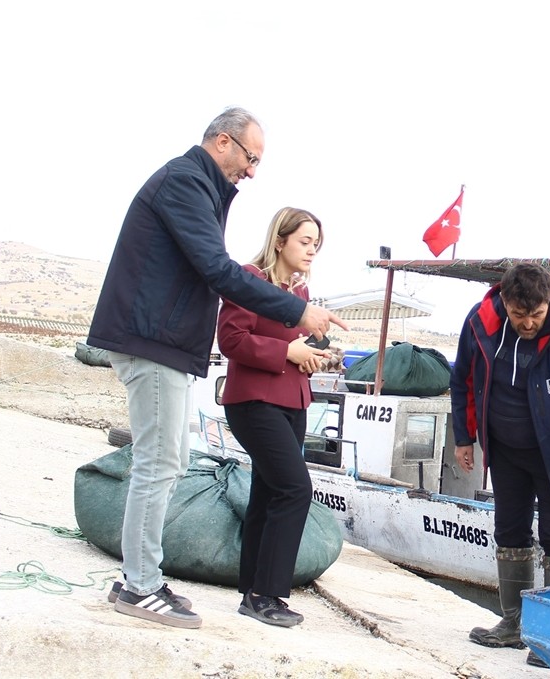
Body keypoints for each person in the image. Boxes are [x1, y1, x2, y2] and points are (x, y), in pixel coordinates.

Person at [87, 107, 348, 629]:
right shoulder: (186, 183)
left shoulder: (200, 188)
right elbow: (217, 270)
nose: (252, 172)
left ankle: (144, 577)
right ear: (223, 142)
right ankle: (139, 586)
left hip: (164, 342)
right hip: (152, 340)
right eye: (251, 158)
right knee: (160, 464)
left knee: (170, 460)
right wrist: (297, 314)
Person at [450, 261, 550, 666]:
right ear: (505, 301)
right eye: (520, 315)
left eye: (536, 315)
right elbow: (463, 378)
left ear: (547, 304)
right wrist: (464, 437)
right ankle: (513, 625)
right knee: (509, 531)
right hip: (505, 449)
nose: (529, 323)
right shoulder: (480, 322)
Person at [217, 207, 329, 628]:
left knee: (268, 491)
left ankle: (252, 593)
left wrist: (308, 358)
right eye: (305, 241)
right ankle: (269, 593)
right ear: (280, 240)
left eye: (316, 244)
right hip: (252, 400)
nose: (311, 250)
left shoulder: (299, 296)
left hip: (292, 401)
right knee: (295, 488)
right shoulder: (249, 278)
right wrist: (286, 352)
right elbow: (231, 339)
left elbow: (290, 346)